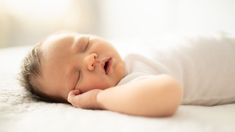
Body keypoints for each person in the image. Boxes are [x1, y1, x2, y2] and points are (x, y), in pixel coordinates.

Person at [19, 32, 235, 117]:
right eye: (77, 75)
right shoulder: (127, 85)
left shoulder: (131, 52)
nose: (89, 59)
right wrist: (99, 98)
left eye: (84, 44)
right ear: (77, 96)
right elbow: (168, 93)